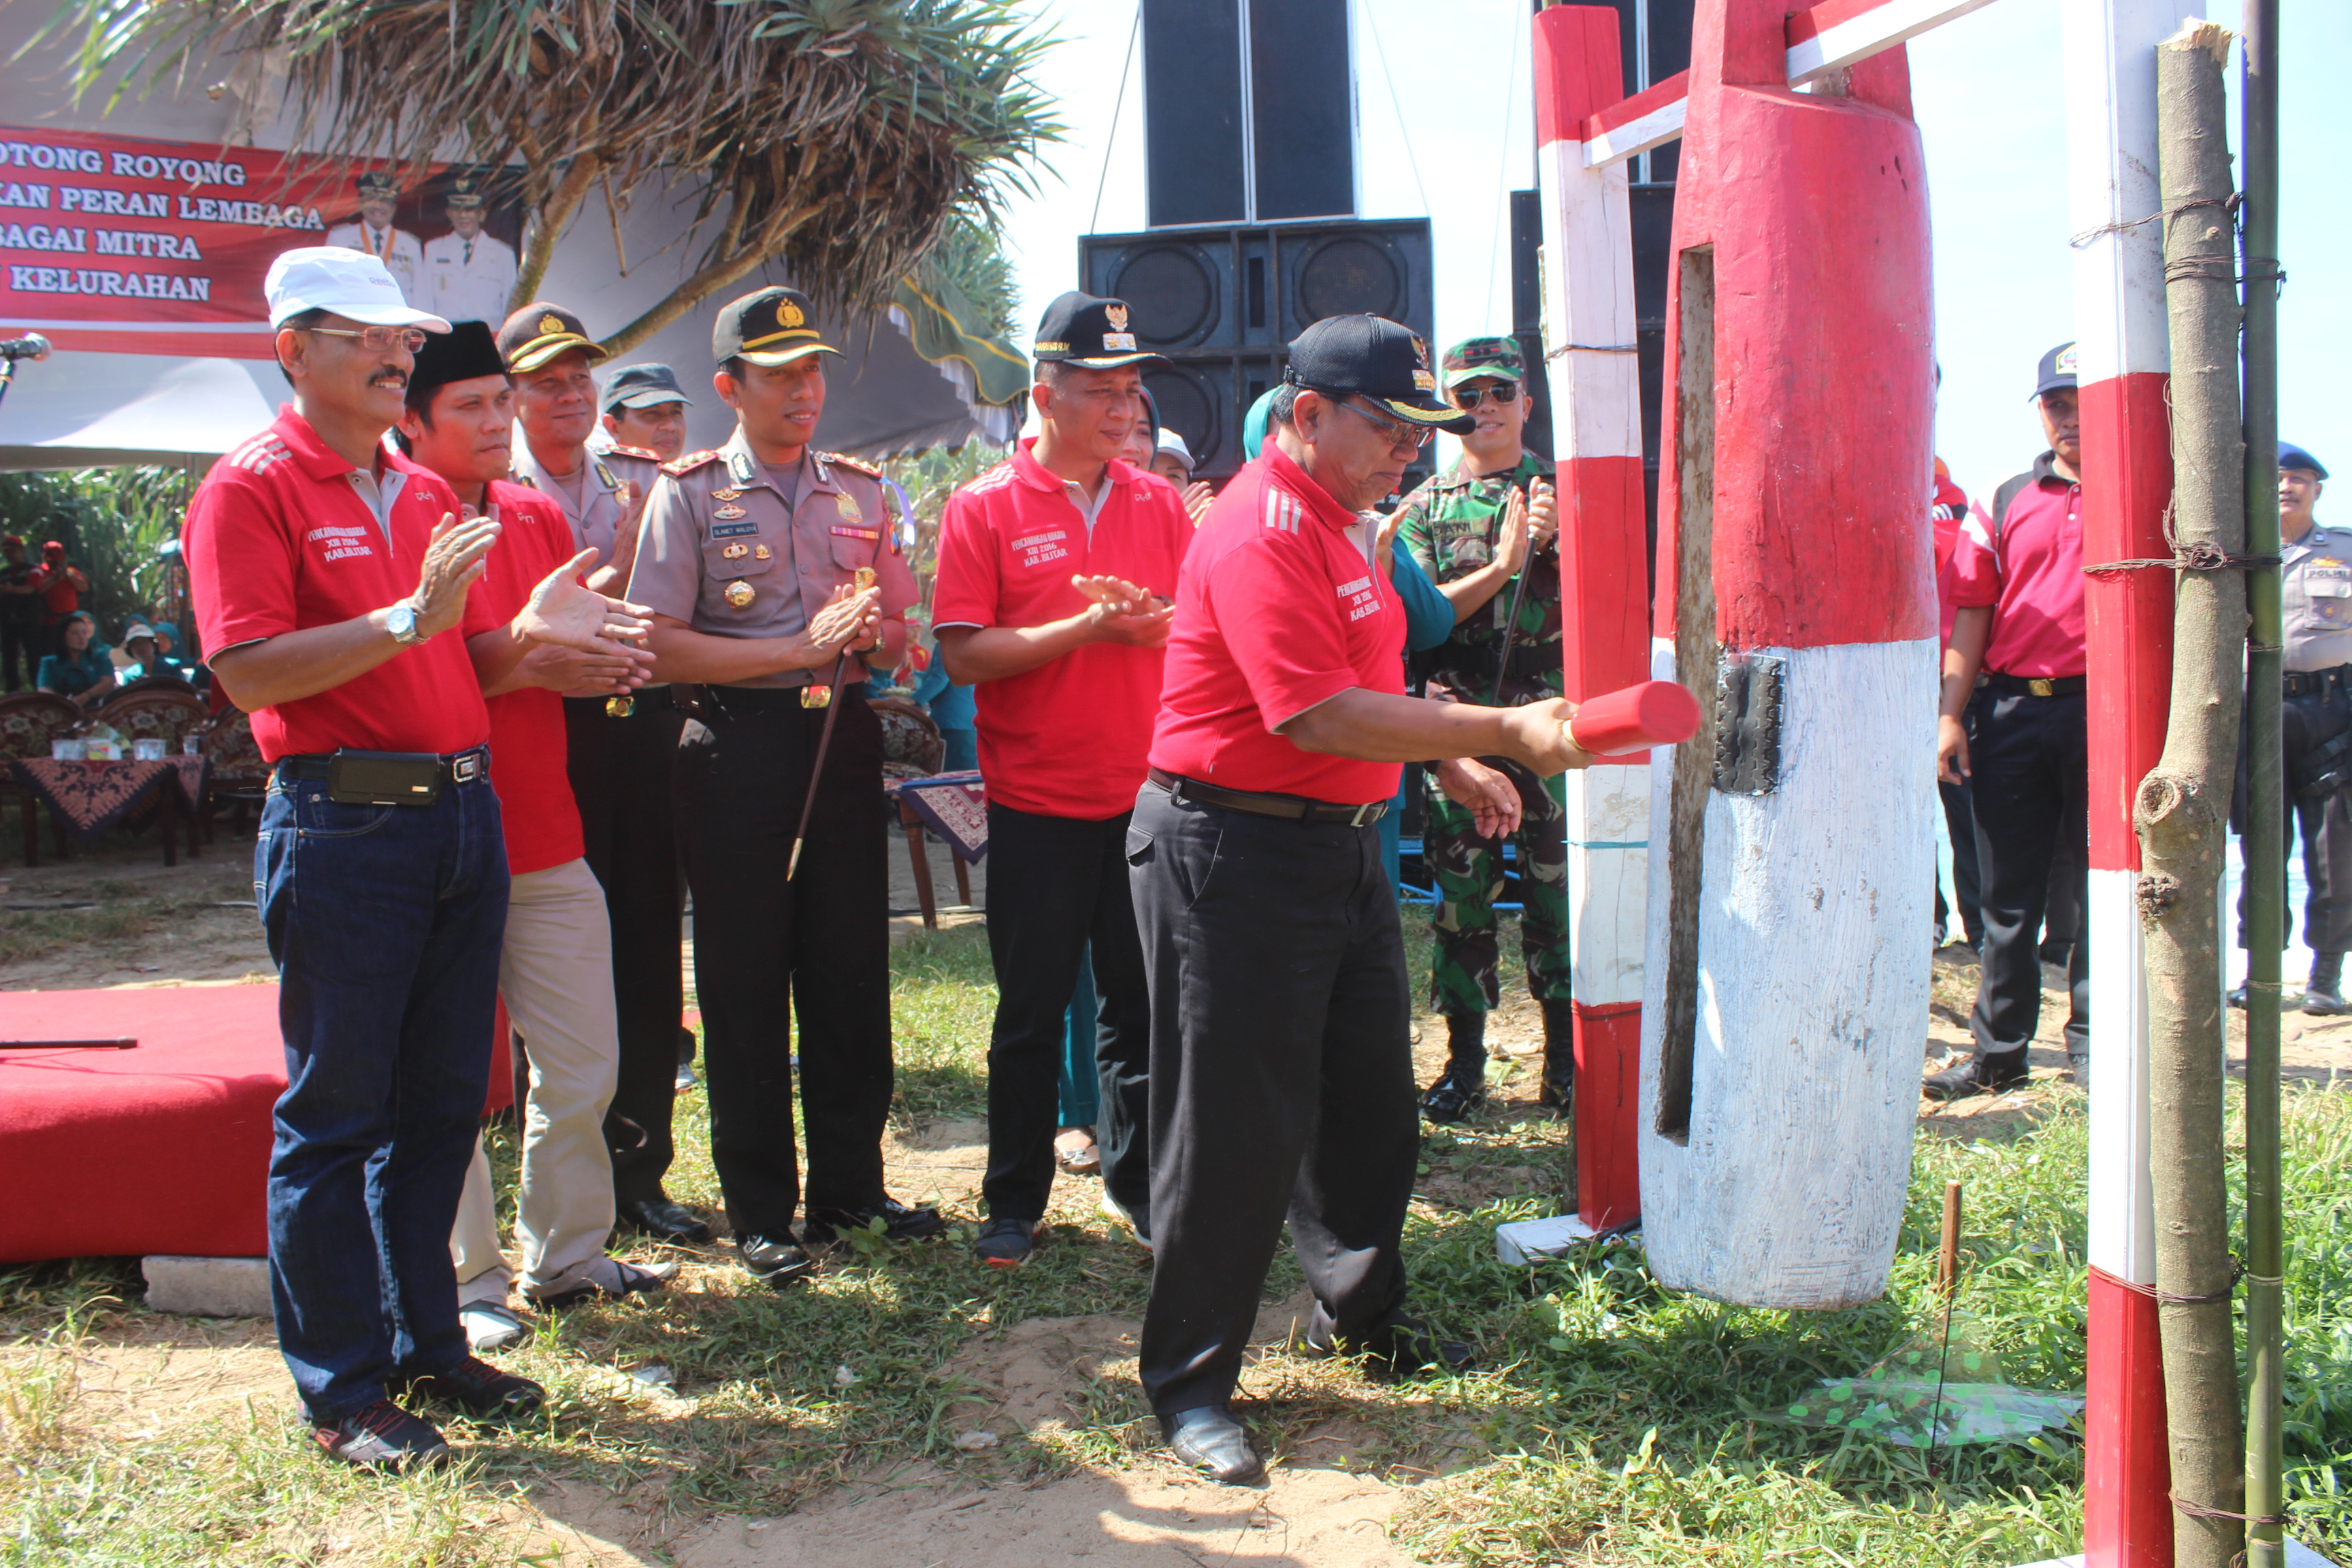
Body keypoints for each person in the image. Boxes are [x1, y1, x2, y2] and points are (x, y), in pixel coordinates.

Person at [183, 246, 646, 1470]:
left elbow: (467, 665)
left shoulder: (424, 493)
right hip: (346, 820)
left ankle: (428, 1343)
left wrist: (536, 639)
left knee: (448, 1101)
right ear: (294, 350)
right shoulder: (251, 487)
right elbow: (246, 672)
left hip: (460, 812)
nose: (397, 354)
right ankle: (342, 1389)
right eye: (367, 337)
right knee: (337, 1112)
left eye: (402, 337)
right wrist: (406, 619)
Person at [1132, 314, 1586, 1483]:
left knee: (1369, 1101)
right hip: (1232, 850)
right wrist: (1499, 727)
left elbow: (1376, 676)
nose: (1406, 450)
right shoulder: (1259, 527)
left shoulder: (1350, 526)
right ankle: (1190, 1381)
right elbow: (1312, 709)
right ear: (1306, 416)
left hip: (1339, 845)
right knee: (1233, 1124)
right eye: (1385, 427)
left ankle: (1360, 1309)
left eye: (1416, 430)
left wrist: (1442, 758)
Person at [627, 284, 940, 1289]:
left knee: (850, 973)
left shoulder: (857, 490)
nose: (805, 392)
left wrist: (887, 639)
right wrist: (788, 649)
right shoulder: (688, 493)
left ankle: (852, 1190)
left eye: (812, 372)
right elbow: (659, 641)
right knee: (746, 982)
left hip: (843, 741)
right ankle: (763, 1210)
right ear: (731, 387)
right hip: (733, 749)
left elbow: (902, 634)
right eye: (781, 376)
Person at [393, 318, 679, 1349]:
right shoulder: (393, 512)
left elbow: (557, 660)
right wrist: (528, 653)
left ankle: (569, 1257)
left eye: (498, 401)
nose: (496, 420)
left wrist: (602, 659)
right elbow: (422, 673)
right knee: (456, 1074)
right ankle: (469, 1278)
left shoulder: (531, 515)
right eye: (471, 404)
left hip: (546, 824)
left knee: (585, 1060)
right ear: (411, 421)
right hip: (433, 831)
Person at [930, 289, 1196, 1268]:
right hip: (1038, 802)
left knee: (1141, 1009)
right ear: (1045, 396)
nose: (1125, 411)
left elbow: (1196, 630)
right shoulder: (984, 508)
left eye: (1132, 390)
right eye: (1102, 392)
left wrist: (1152, 622)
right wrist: (1086, 627)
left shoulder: (1160, 504)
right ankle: (1013, 1202)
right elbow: (963, 655)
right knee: (1031, 1012)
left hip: (1146, 801)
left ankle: (1139, 1186)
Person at [500, 303, 701, 1244]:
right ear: (509, 397)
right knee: (543, 960)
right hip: (540, 734)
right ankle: (546, 1177)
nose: (571, 393)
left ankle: (640, 1171)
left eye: (581, 377)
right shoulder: (485, 489)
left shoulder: (643, 482)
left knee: (647, 948)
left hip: (640, 729)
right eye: (548, 380)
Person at [1394, 336, 1570, 1122]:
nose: (1485, 408)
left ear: (1527, 404)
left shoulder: (1567, 495)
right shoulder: (1424, 510)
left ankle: (1564, 1062)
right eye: (1468, 396)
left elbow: (1616, 605)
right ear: (1444, 414)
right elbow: (1418, 626)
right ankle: (1465, 1064)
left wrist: (1561, 540)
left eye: (1501, 392)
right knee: (1461, 902)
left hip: (1552, 726)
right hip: (1459, 721)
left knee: (1556, 898)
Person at [1929, 343, 2090, 1097]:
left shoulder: (2153, 488)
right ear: (2040, 411)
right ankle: (1998, 1058)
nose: (2073, 416)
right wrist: (1950, 717)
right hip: (2013, 709)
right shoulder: (2004, 494)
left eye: (2087, 398)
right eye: (2058, 402)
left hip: (2107, 708)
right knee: (2007, 900)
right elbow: (1973, 609)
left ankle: (2094, 1046)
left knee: (2105, 893)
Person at [2231, 443, 2352, 1015]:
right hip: (2258, 712)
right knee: (2261, 847)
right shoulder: (2239, 555)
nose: (2288, 488)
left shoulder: (2345, 551)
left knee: (2335, 852)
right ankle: (2260, 974)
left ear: (2318, 490)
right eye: (2278, 479)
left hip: (2333, 712)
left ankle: (2325, 978)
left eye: (2300, 479)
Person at [1931, 455, 1984, 950]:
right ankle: (1928, 917)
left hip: (1949, 679)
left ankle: (1980, 927)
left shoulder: (1948, 499)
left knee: (1967, 809)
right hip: (1883, 672)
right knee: (1900, 808)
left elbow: (1941, 548)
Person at [419, 178, 519, 327]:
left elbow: (510, 306)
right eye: (457, 209)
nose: (463, 215)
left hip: (487, 337)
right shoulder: (433, 249)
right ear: (448, 213)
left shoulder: (503, 254)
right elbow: (425, 300)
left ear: (482, 214)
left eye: (470, 209)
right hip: (446, 336)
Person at [325, 172, 424, 302]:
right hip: (355, 316)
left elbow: (422, 293)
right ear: (360, 204)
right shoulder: (340, 238)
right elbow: (329, 285)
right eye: (371, 199)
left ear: (394, 207)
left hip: (397, 318)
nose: (377, 206)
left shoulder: (410, 244)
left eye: (385, 201)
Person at [600, 363, 695, 463]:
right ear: (613, 427)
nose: (670, 426)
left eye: (676, 412)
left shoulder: (704, 477)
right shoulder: (594, 477)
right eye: (652, 413)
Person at [35, 610, 113, 706]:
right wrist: (62, 703)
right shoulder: (49, 662)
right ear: (62, 637)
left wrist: (84, 697)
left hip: (97, 707)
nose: (81, 637)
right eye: (75, 633)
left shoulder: (100, 656)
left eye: (84, 633)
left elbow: (108, 683)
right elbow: (43, 689)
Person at [31, 541, 89, 655]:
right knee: (53, 654)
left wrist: (69, 575)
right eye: (53, 560)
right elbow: (36, 590)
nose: (56, 563)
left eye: (59, 559)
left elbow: (84, 588)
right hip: (50, 623)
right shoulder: (39, 571)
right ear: (44, 557)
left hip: (72, 620)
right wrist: (55, 578)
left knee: (75, 653)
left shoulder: (71, 571)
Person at [0, 535, 39, 691]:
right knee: (9, 658)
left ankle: (38, 691)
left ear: (22, 550)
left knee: (34, 657)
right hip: (8, 621)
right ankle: (12, 694)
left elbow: (31, 589)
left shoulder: (34, 569)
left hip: (30, 620)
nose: (10, 554)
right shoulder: (3, 573)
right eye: (7, 551)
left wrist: (11, 590)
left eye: (13, 550)